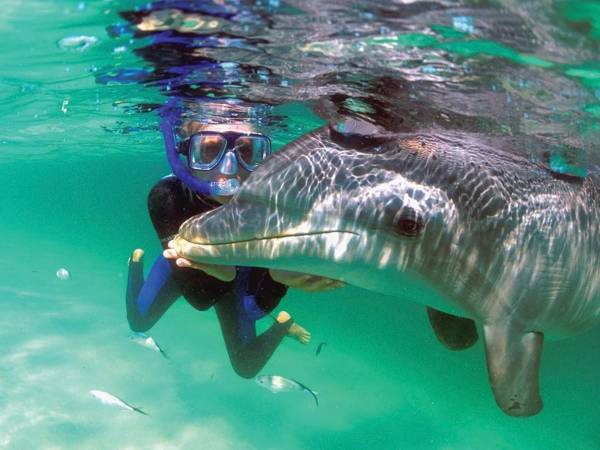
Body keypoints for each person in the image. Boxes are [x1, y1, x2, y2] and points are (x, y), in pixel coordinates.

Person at [127, 110, 342, 378]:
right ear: (185, 154)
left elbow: (254, 307)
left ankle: (282, 326)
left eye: (248, 152)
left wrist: (279, 277)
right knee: (138, 320)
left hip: (239, 275)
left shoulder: (273, 204)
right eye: (209, 151)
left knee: (247, 366)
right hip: (186, 271)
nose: (228, 170)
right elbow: (200, 299)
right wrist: (226, 270)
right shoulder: (167, 196)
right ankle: (135, 262)